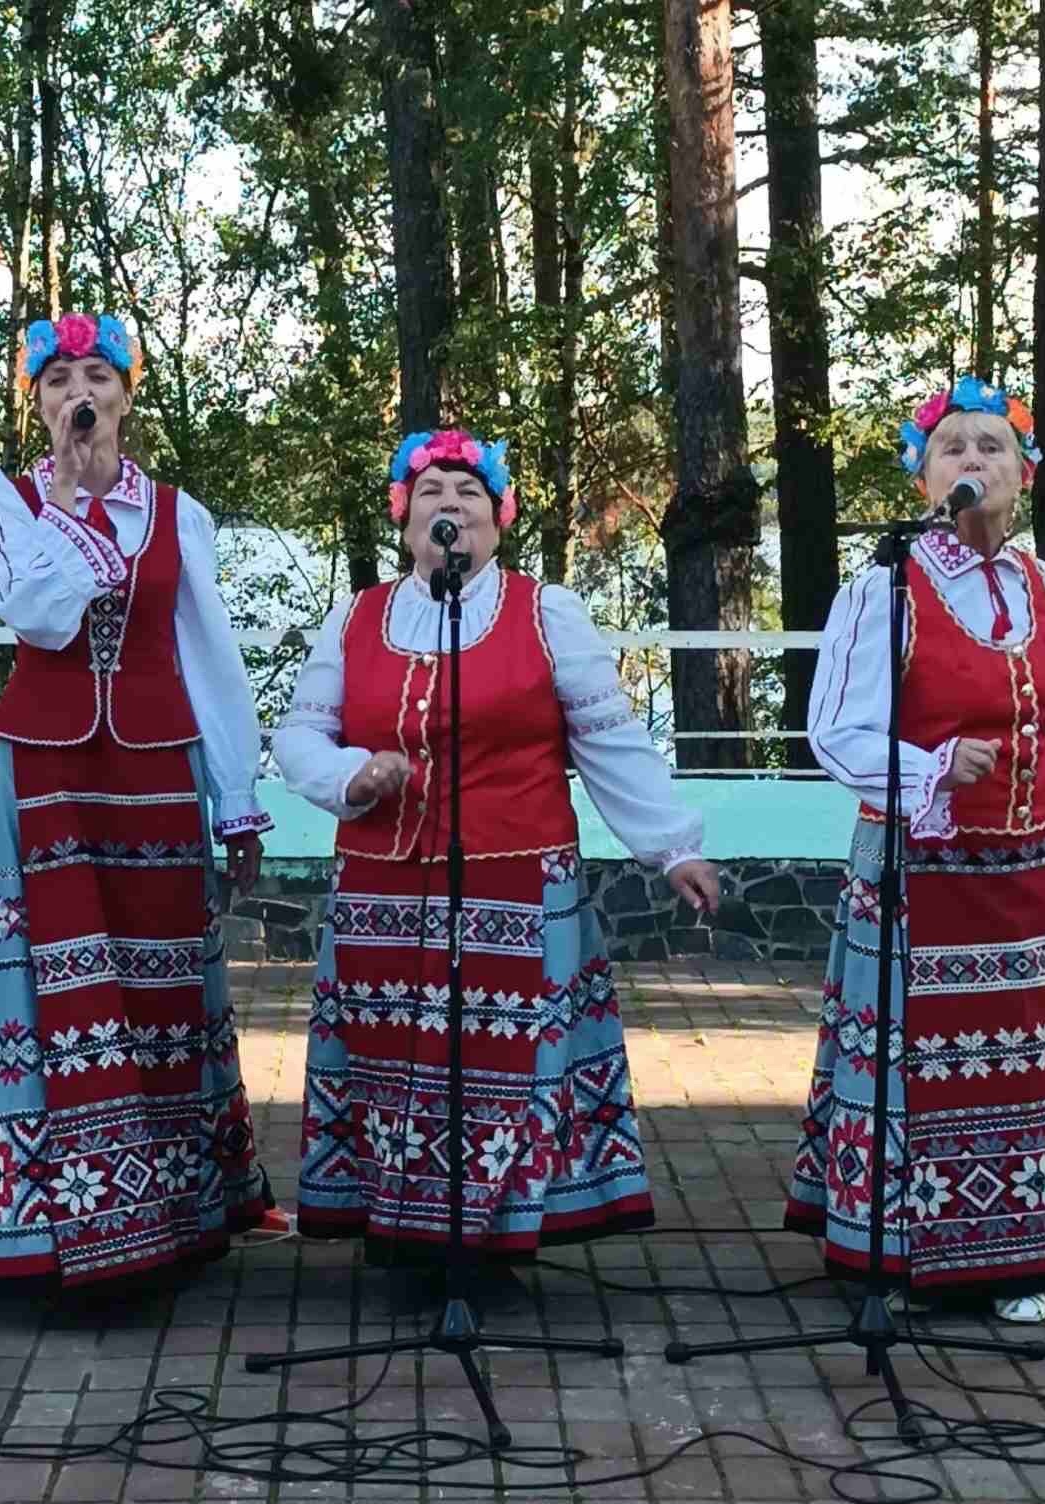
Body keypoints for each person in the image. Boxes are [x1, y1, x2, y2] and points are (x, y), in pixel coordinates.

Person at [273, 427, 720, 1257]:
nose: (451, 507)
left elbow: (611, 741)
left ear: (499, 518)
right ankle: (402, 1236)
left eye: (469, 494)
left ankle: (492, 1242)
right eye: (433, 494)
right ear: (405, 518)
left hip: (516, 885)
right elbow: (300, 732)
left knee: (503, 1069)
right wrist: (348, 777)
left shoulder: (547, 613)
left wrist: (673, 847)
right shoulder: (356, 616)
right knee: (386, 1064)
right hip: (382, 888)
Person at [0, 312, 272, 1287]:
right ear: (37, 404)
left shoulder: (176, 513)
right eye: (57, 383)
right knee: (48, 984)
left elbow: (208, 658)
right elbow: (35, 615)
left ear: (125, 394)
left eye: (93, 377)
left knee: (160, 981)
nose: (76, 394)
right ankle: (46, 1221)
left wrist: (237, 797)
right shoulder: (1, 502)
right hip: (42, 771)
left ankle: (169, 1207)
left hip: (154, 769)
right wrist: (69, 504)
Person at [787, 376, 1045, 1324]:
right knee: (913, 1064)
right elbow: (833, 729)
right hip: (919, 873)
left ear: (1025, 473)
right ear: (925, 479)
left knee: (1025, 1062)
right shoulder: (886, 585)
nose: (973, 460)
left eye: (992, 446)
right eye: (952, 448)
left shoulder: (1039, 584)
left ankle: (1014, 1255)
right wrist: (929, 765)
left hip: (1032, 874)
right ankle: (905, 1248)